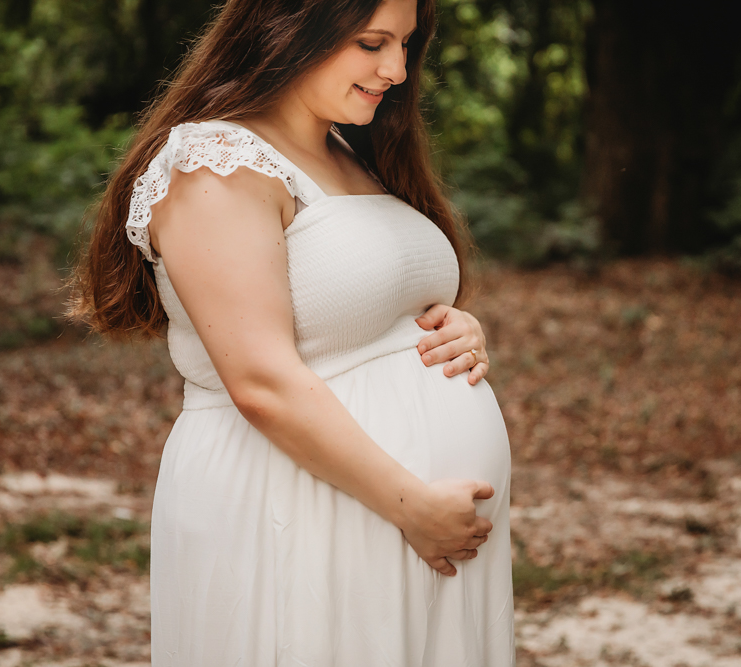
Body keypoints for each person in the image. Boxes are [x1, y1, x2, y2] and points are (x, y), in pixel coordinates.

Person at [69, 0, 514, 664]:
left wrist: (456, 327)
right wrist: (412, 505)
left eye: (405, 44)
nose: (395, 67)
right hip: (304, 507)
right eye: (372, 43)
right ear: (292, 26)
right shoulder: (215, 161)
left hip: (403, 522)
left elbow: (365, 302)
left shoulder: (350, 147)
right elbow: (260, 381)